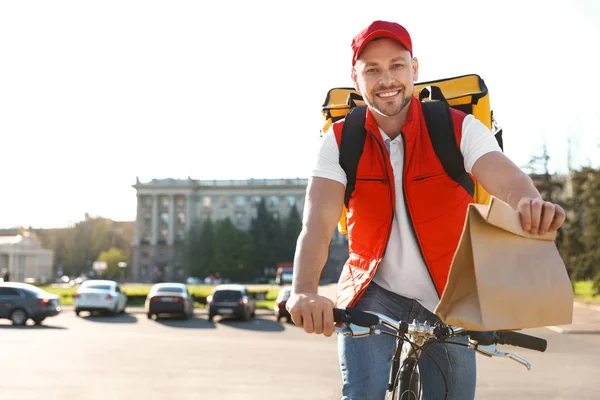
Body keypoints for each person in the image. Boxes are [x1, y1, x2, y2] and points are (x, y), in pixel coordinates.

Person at [286, 20, 566, 400]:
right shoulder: (340, 140)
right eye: (372, 69)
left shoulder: (456, 128)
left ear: (414, 69)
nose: (387, 79)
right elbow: (317, 223)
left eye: (397, 65)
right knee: (362, 394)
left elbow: (508, 180)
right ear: (356, 79)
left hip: (448, 296)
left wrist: (529, 204)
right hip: (374, 290)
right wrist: (304, 290)